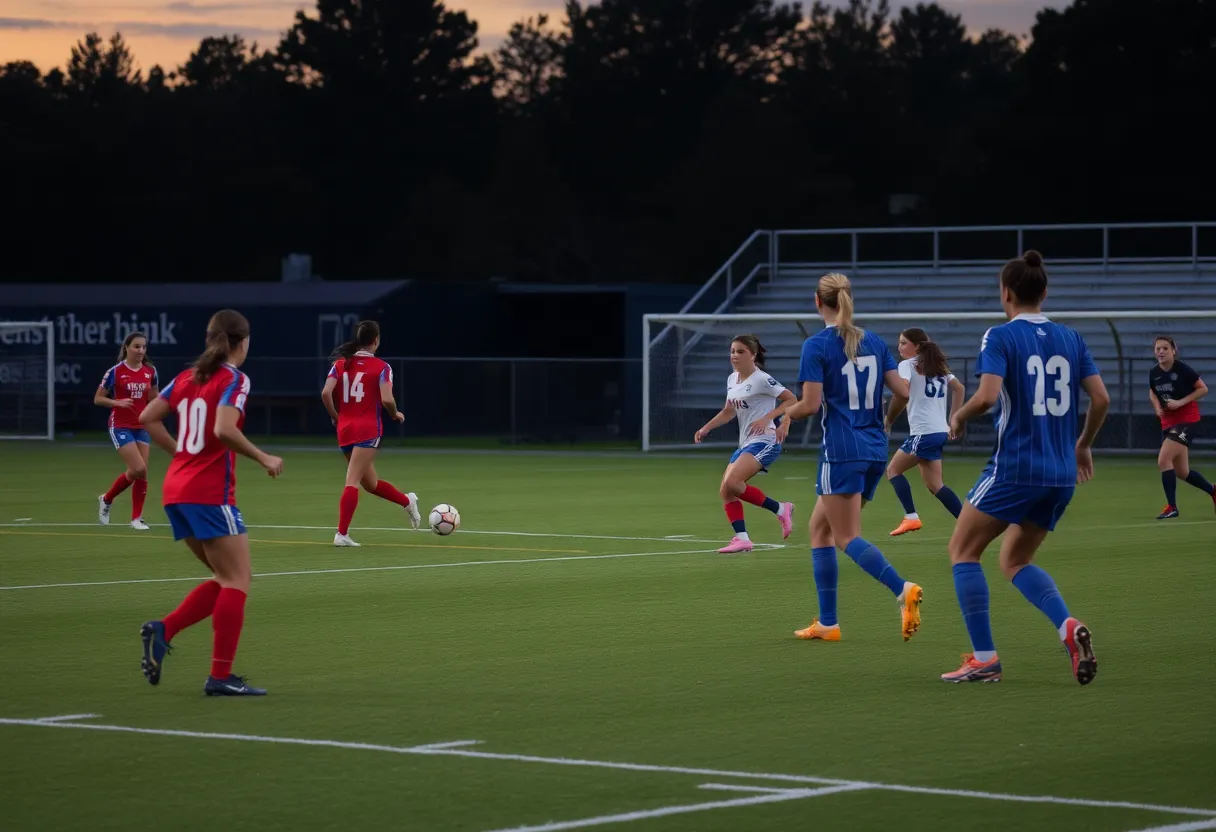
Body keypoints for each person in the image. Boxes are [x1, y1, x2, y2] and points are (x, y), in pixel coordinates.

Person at [942, 251, 1110, 685]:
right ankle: (1067, 627)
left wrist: (958, 417)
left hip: (1015, 468)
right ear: (1045, 292)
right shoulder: (1072, 338)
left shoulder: (1000, 336)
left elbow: (987, 396)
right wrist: (1083, 445)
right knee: (1016, 559)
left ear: (1007, 293)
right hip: (1059, 474)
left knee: (963, 552)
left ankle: (984, 659)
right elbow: (1102, 399)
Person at [137, 309, 283, 696]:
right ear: (243, 342)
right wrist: (264, 457)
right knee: (238, 579)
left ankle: (164, 629)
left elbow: (149, 416)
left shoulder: (187, 377)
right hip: (208, 494)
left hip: (176, 492)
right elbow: (222, 428)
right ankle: (220, 677)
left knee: (226, 577)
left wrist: (181, 452)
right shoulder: (234, 378)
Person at [784, 273, 924, 643]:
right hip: (875, 449)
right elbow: (904, 392)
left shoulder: (816, 346)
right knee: (820, 529)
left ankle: (902, 588)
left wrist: (785, 415)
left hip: (842, 452)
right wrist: (887, 419)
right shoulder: (874, 341)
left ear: (818, 301)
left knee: (845, 537)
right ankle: (828, 624)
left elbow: (811, 405)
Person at [320, 320, 420, 547]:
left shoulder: (340, 364)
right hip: (367, 428)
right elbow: (386, 398)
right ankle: (343, 534)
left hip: (344, 428)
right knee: (361, 482)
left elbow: (326, 393)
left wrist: (336, 415)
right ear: (375, 341)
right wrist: (395, 413)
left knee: (364, 482)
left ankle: (405, 501)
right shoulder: (382, 367)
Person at [694, 335, 796, 553]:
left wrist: (768, 418)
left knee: (732, 481)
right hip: (746, 443)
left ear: (753, 355)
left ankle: (780, 509)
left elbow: (791, 399)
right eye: (732, 351)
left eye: (740, 351)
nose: (734, 355)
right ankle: (743, 538)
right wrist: (706, 428)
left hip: (765, 440)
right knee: (726, 490)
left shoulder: (762, 379)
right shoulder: (733, 379)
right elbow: (728, 411)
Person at [883, 328, 966, 535]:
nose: (899, 347)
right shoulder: (938, 367)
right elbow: (960, 388)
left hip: (924, 433)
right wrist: (954, 418)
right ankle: (968, 524)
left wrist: (888, 419)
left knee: (893, 470)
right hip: (939, 432)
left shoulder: (906, 365)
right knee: (935, 485)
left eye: (903, 343)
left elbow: (902, 393)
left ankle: (911, 517)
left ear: (916, 346)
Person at [95, 332, 158, 530]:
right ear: (127, 348)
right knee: (138, 468)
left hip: (142, 426)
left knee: (142, 473)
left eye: (143, 347)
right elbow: (98, 398)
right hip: (120, 425)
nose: (141, 351)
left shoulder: (150, 371)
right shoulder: (115, 371)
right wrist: (117, 402)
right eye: (137, 346)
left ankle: (136, 519)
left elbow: (154, 398)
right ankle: (107, 498)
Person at [1149, 335, 1214, 519]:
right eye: (1158, 349)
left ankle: (1172, 507)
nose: (1161, 351)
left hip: (1187, 421)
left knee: (1163, 460)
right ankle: (1213, 491)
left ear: (1173, 351)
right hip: (1168, 423)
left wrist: (1179, 402)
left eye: (1165, 348)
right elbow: (1152, 392)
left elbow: (1203, 388)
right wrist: (1157, 408)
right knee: (1182, 472)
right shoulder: (1154, 372)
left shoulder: (1182, 369)